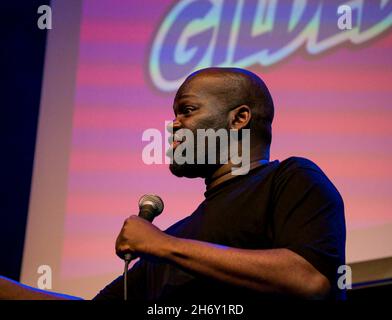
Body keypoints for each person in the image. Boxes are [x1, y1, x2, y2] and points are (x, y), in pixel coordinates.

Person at [0, 67, 346, 301]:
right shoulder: (176, 237)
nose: (173, 125)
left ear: (239, 118)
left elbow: (310, 280)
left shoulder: (290, 179)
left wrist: (165, 246)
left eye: (187, 110)